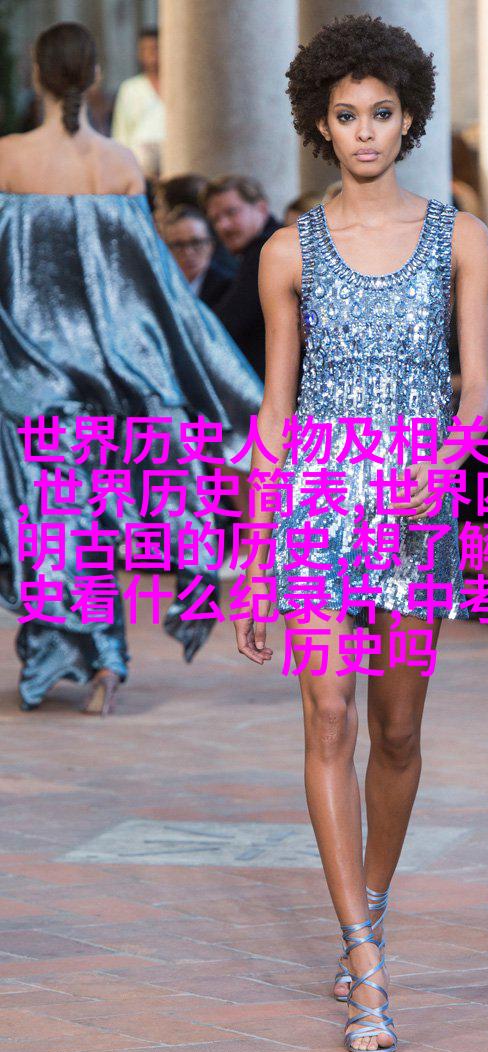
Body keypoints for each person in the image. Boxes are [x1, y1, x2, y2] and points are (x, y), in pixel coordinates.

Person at [233, 13, 488, 1052]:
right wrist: (252, 560)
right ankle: (364, 956)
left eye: (382, 112)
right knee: (329, 715)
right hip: (315, 507)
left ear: (410, 117)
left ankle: (371, 905)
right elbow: (274, 414)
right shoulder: (285, 253)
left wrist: (445, 464)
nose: (366, 131)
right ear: (320, 125)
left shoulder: (461, 238)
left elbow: (479, 393)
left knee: (397, 732)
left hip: (418, 512)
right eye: (347, 116)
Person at [0, 22, 263, 715]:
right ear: (95, 79)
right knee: (90, 520)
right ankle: (105, 663)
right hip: (113, 380)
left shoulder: (7, 159)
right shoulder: (119, 166)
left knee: (48, 521)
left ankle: (69, 654)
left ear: (35, 74)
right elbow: (153, 293)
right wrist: (202, 374)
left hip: (30, 379)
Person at [204, 175, 282, 381]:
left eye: (231, 212)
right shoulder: (265, 247)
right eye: (215, 219)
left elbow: (229, 323)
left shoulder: (265, 251)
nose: (223, 226)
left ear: (261, 209)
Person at [111, 25, 164, 177]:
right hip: (140, 167)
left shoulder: (178, 87)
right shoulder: (130, 88)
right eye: (146, 50)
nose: (152, 55)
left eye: (156, 48)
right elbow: (121, 133)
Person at [164, 204, 233, 308]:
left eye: (196, 243)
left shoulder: (228, 287)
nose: (188, 252)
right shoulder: (162, 284)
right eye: (178, 245)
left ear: (211, 245)